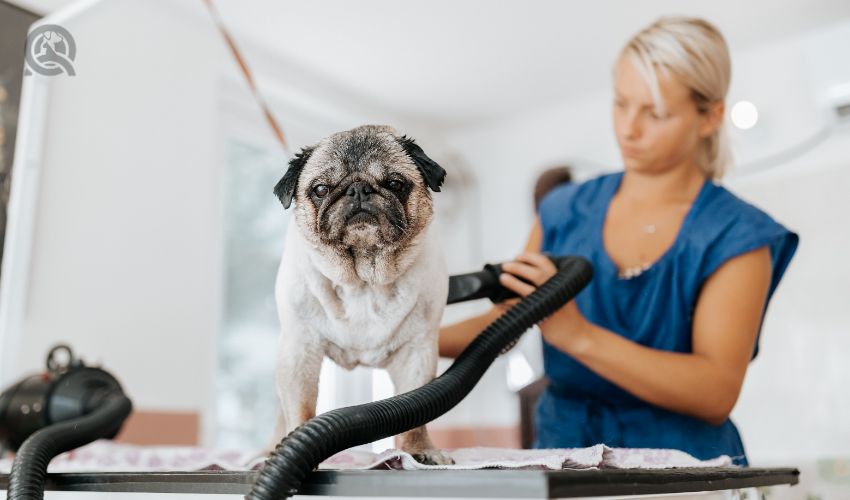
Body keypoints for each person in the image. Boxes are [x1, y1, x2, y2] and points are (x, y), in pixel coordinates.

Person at [438, 17, 798, 466]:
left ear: (710, 117)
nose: (629, 128)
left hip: (684, 471)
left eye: (656, 113)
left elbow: (715, 392)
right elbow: (504, 321)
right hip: (565, 457)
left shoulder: (736, 234)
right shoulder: (564, 210)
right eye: (621, 103)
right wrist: (400, 339)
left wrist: (580, 337)